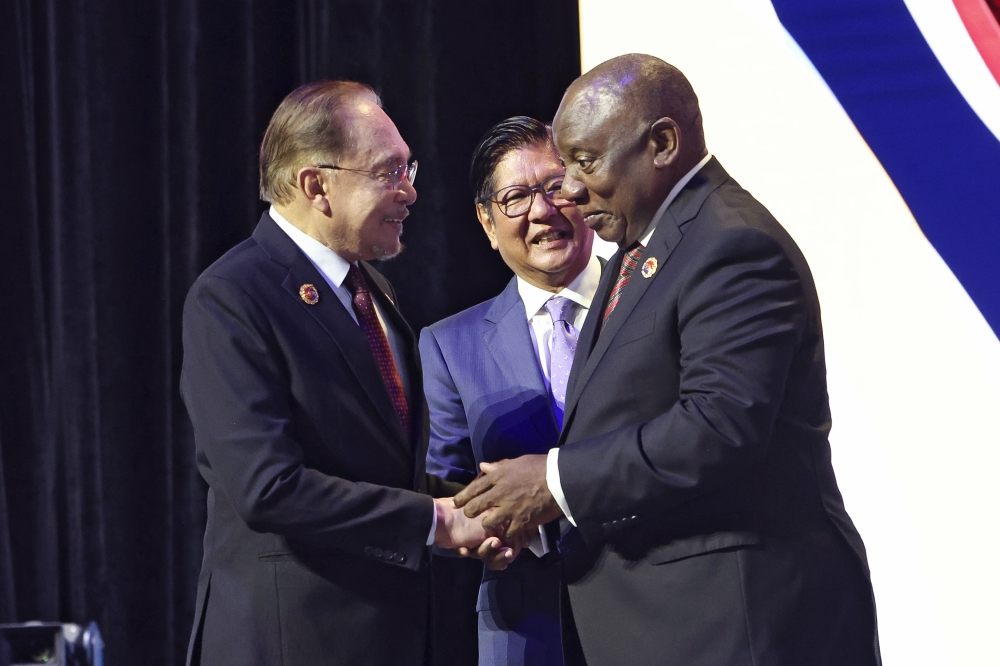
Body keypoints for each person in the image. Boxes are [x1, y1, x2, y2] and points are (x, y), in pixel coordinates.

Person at [454, 54, 882, 665]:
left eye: (585, 162)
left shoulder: (731, 245)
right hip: (676, 625)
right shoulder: (642, 244)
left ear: (661, 143)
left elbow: (719, 428)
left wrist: (554, 483)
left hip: (742, 623)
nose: (570, 190)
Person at [180, 80, 497, 666]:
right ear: (315, 184)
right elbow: (267, 488)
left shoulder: (372, 289)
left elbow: (380, 468)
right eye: (388, 172)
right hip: (291, 642)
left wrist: (485, 508)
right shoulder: (231, 296)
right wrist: (438, 521)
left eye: (410, 169)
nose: (410, 192)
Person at [421, 116, 599, 666]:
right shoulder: (451, 345)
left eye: (555, 187)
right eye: (516, 197)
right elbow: (450, 488)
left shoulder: (644, 298)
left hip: (659, 604)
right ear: (487, 222)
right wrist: (488, 532)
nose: (543, 211)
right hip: (526, 631)